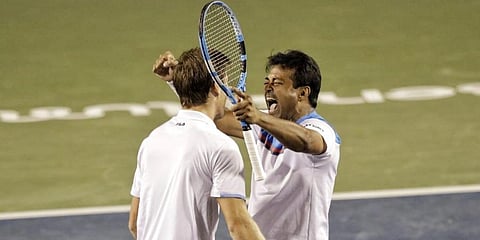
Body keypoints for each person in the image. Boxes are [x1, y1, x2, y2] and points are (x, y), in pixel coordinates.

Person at [158, 49, 341, 240]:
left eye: (277, 83)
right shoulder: (263, 124)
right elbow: (214, 116)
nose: (268, 88)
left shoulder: (321, 130)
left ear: (302, 93)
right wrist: (177, 83)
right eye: (267, 82)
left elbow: (307, 140)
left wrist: (259, 117)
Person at [128, 48, 265, 240]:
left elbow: (135, 224)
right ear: (215, 87)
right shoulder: (220, 147)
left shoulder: (151, 141)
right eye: (224, 82)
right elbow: (238, 225)